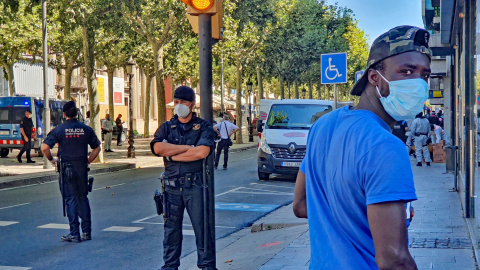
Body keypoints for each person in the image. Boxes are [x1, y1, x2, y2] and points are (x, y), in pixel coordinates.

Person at [293, 25, 429, 270]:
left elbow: (301, 206)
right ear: (374, 77)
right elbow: (394, 260)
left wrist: (351, 218)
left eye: (424, 75)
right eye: (406, 71)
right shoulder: (386, 146)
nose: (418, 83)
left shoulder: (322, 126)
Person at [150, 86, 216, 270]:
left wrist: (171, 154)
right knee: (171, 232)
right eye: (176, 102)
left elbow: (202, 152)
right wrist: (188, 148)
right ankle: (170, 266)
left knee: (202, 230)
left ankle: (207, 266)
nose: (179, 106)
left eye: (183, 103)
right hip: (171, 188)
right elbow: (157, 149)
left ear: (192, 105)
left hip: (194, 186)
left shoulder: (203, 126)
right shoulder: (166, 127)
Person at [41, 101, 101, 243]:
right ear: (77, 113)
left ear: (64, 114)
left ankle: (74, 233)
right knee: (83, 198)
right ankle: (87, 232)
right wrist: (88, 161)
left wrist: (51, 159)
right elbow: (97, 148)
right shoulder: (85, 129)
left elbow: (44, 147)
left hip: (66, 168)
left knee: (70, 199)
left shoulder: (59, 130)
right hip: (81, 168)